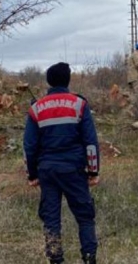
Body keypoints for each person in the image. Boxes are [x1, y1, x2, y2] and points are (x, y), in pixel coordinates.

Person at [24, 62, 100, 264]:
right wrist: (93, 172)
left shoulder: (36, 108)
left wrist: (32, 174)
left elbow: (29, 147)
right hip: (74, 170)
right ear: (68, 80)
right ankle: (90, 257)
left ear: (49, 81)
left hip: (47, 171)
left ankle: (56, 259)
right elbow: (91, 143)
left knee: (51, 219)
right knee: (85, 216)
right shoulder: (79, 104)